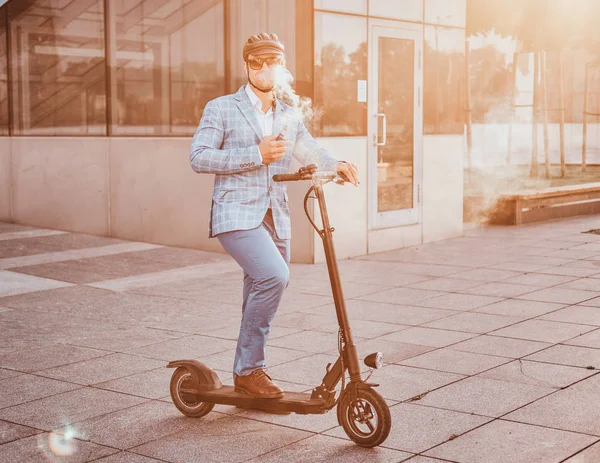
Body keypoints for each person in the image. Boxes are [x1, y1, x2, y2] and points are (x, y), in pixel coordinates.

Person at [190, 32, 359, 399]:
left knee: (261, 287)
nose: (265, 68)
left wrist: (337, 164)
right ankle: (251, 370)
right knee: (274, 276)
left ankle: (244, 372)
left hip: (275, 216)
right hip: (234, 213)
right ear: (246, 64)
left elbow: (309, 150)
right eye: (256, 61)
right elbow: (199, 157)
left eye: (272, 61)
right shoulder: (221, 108)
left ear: (282, 66)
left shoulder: (288, 113)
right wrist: (256, 154)